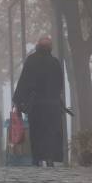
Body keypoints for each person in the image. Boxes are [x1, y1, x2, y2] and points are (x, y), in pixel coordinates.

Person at [12, 36, 64, 167]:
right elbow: (60, 85)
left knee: (36, 132)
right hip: (52, 105)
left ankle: (37, 158)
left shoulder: (32, 60)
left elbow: (24, 81)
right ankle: (50, 158)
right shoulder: (55, 62)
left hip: (36, 105)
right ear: (50, 48)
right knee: (50, 132)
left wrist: (17, 101)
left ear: (38, 46)